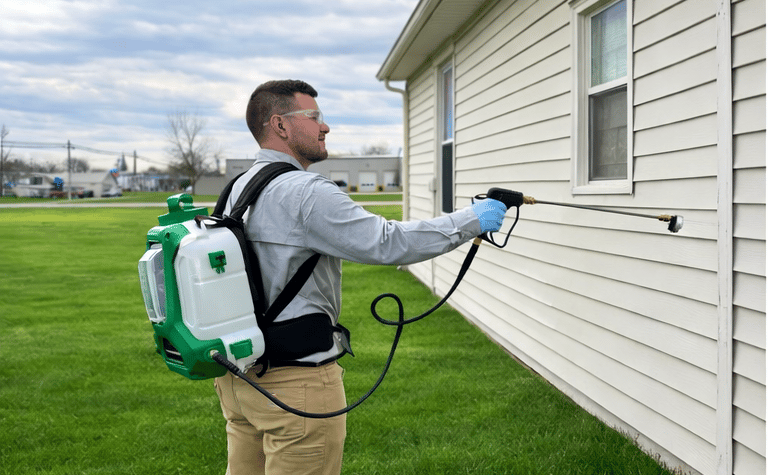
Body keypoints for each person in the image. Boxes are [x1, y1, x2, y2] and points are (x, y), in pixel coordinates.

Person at [213, 79, 507, 475]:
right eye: (314, 116)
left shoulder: (237, 187)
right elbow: (387, 242)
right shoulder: (306, 192)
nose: (325, 126)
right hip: (295, 386)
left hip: (239, 379)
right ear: (280, 125)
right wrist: (473, 219)